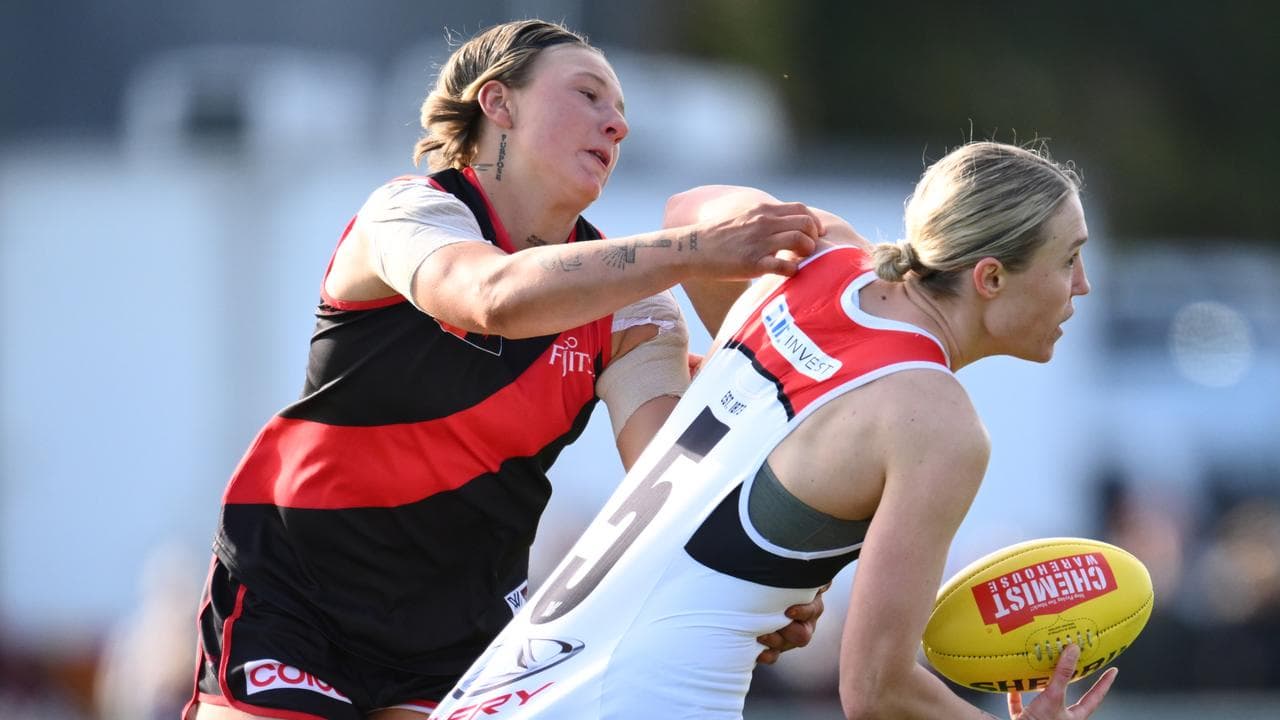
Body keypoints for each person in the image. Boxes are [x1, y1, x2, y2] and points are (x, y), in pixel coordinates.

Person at [183, 19, 829, 720]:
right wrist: (697, 247)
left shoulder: (638, 306)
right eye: (590, 96)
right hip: (299, 590)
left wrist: (761, 581)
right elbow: (491, 297)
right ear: (499, 103)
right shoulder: (409, 211)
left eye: (622, 114)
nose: (617, 126)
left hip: (461, 624)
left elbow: (673, 489)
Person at [429, 140, 1116, 720]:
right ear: (990, 276)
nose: (1081, 285)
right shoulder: (937, 422)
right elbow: (876, 690)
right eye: (1067, 259)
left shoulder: (815, 257)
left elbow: (689, 209)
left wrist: (745, 383)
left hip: (507, 690)